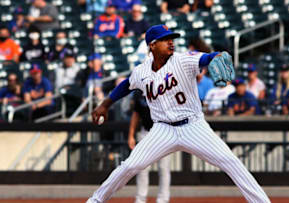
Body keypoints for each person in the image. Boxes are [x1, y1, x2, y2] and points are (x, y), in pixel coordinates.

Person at [87, 24, 270, 203]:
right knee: (130, 165)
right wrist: (105, 104)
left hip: (193, 126)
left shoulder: (183, 60)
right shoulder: (141, 71)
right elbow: (126, 85)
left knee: (230, 161)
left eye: (172, 39)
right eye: (165, 40)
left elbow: (205, 58)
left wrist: (216, 56)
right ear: (152, 45)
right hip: (162, 129)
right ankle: (95, 200)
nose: (171, 43)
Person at [128, 90, 171, 203]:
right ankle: (140, 199)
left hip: (164, 132)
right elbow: (136, 114)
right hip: (146, 132)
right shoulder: (139, 92)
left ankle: (163, 199)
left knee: (163, 168)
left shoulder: (165, 86)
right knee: (141, 167)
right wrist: (131, 135)